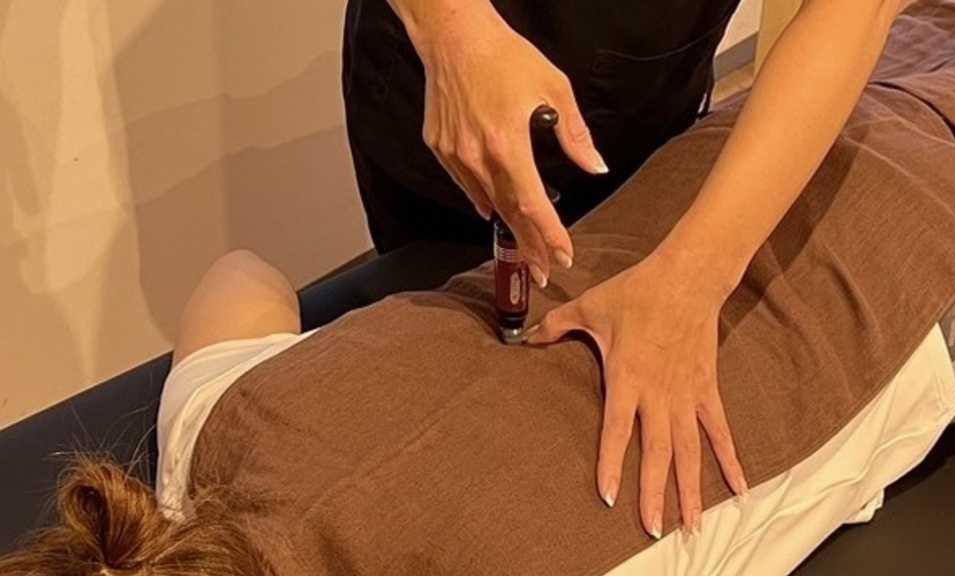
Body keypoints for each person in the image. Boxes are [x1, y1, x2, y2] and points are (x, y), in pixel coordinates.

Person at [344, 0, 913, 536]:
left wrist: (692, 281)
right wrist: (454, 31)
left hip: (644, 103)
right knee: (434, 355)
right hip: (443, 93)